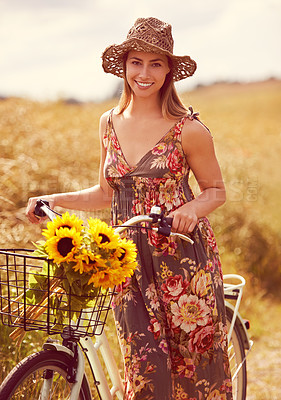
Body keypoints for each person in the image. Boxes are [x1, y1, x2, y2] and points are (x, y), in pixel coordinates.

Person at [26, 17, 232, 400]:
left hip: (182, 259)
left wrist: (191, 209)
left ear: (169, 70)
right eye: (137, 61)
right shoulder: (108, 123)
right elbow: (106, 193)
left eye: (156, 63)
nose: (144, 72)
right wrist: (54, 199)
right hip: (127, 261)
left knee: (196, 367)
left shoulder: (187, 129)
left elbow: (216, 191)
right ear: (124, 66)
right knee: (145, 371)